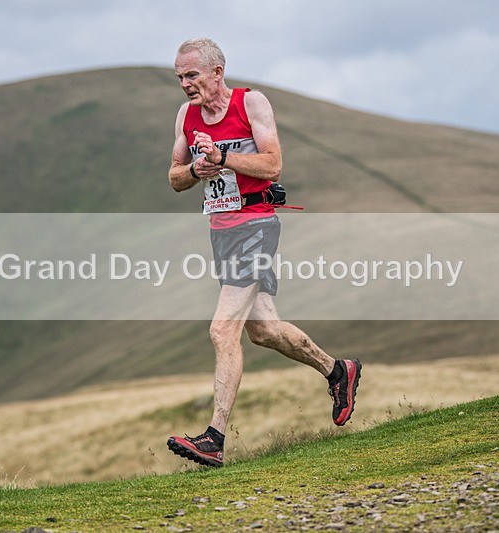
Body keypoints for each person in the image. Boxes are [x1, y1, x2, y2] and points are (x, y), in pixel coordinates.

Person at [166, 37, 362, 468]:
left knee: (222, 330)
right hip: (221, 231)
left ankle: (214, 438)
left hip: (256, 225)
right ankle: (338, 371)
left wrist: (224, 157)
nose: (185, 84)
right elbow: (175, 178)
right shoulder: (186, 116)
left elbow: (273, 165)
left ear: (217, 72)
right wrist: (196, 169)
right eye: (179, 77)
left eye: (192, 75)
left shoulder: (250, 103)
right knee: (264, 330)